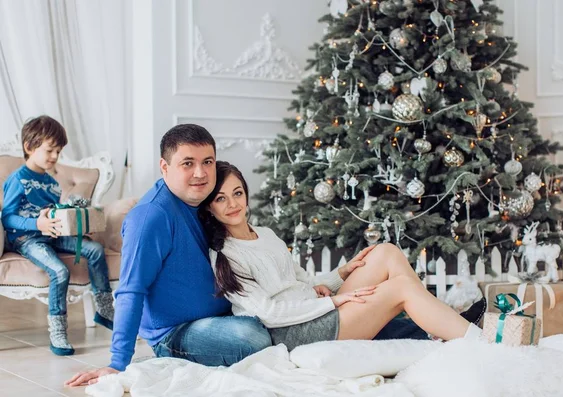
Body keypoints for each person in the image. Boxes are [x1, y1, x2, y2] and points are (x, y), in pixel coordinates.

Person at [65, 124, 375, 387]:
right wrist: (118, 363)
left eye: (208, 161)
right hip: (178, 333)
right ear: (165, 167)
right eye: (187, 163)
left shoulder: (205, 201)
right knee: (250, 335)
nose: (200, 173)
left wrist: (311, 289)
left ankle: (370, 325)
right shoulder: (151, 218)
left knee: (270, 319)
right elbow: (131, 290)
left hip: (228, 313)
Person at [198, 161, 485, 351]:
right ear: (210, 207)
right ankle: (481, 342)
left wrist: (341, 275)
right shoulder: (226, 255)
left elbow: (303, 282)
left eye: (237, 193)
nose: (233, 204)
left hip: (317, 310)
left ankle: (436, 325)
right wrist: (334, 301)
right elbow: (269, 314)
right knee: (399, 288)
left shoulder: (266, 234)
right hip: (295, 333)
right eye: (221, 198)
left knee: (385, 252)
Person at [1, 116, 114, 356]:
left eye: (58, 151)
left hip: (52, 235)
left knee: (94, 249)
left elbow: (56, 215)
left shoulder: (52, 183)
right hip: (26, 239)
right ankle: (58, 330)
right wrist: (37, 223)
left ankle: (104, 309)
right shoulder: (18, 180)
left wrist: (79, 227)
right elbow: (7, 217)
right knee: (59, 271)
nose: (54, 156)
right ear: (29, 147)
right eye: (49, 150)